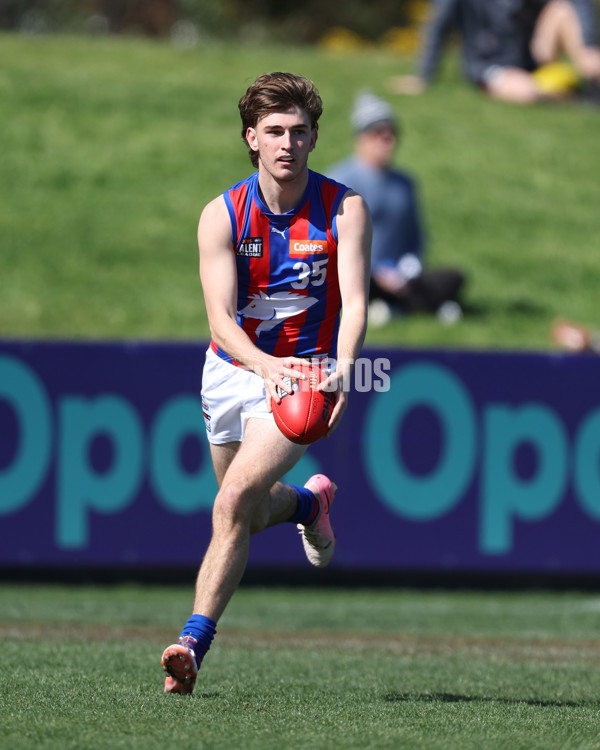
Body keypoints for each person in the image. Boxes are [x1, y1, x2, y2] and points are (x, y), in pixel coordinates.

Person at [160, 72, 372, 695]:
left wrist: (342, 369)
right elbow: (222, 322)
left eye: (300, 131)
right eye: (274, 132)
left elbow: (355, 303)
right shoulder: (222, 214)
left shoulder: (345, 208)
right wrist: (261, 365)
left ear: (313, 138)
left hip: (302, 380)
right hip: (234, 371)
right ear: (251, 138)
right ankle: (310, 503)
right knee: (248, 517)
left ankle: (191, 646)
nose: (288, 143)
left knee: (228, 506)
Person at [328, 90, 465, 326]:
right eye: (378, 133)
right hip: (358, 273)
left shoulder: (405, 183)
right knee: (353, 282)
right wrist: (375, 272)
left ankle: (394, 305)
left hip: (400, 276)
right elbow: (332, 239)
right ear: (361, 138)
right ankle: (416, 305)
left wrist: (408, 267)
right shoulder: (339, 181)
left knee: (454, 277)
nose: (386, 139)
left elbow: (415, 236)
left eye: (391, 133)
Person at [389, 0, 600, 104]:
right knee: (525, 91)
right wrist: (424, 77)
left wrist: (588, 45)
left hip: (533, 59)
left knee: (562, 9)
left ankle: (594, 81)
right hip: (490, 65)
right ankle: (574, 96)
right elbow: (439, 26)